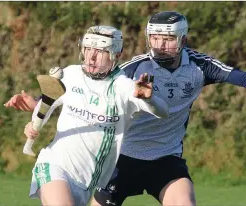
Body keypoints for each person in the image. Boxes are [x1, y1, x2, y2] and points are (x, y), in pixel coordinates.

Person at [5, 12, 246, 206]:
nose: (160, 45)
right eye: (155, 38)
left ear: (182, 40)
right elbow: (87, 94)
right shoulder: (133, 69)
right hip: (121, 159)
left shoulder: (200, 67)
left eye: (168, 39)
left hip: (165, 159)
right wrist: (38, 104)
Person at [14, 25, 169, 206]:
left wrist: (149, 100)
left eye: (100, 51)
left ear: (116, 55)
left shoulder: (124, 87)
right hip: (54, 165)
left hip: (87, 183)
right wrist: (33, 124)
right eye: (88, 49)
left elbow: (163, 112)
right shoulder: (71, 74)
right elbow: (48, 100)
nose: (91, 57)